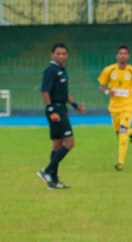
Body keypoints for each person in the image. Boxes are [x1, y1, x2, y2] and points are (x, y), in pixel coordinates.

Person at [37, 42, 85, 190]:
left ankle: (53, 181)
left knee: (57, 145)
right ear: (52, 55)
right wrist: (52, 111)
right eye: (58, 53)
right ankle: (46, 171)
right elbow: (45, 91)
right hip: (56, 110)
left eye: (64, 54)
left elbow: (65, 93)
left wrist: (75, 105)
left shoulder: (63, 71)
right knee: (69, 143)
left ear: (67, 55)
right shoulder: (50, 70)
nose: (61, 56)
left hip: (62, 108)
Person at [97, 45, 132, 171]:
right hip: (114, 107)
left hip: (128, 105)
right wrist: (107, 92)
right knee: (120, 134)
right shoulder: (109, 70)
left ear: (128, 56)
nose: (123, 55)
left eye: (125, 53)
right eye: (120, 53)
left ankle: (120, 163)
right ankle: (131, 131)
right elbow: (101, 86)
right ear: (116, 56)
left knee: (122, 130)